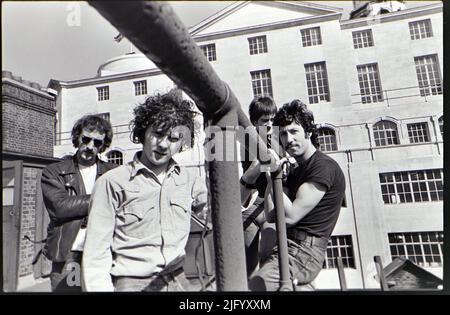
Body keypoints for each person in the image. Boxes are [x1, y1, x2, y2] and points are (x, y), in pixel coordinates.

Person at [82, 91, 207, 292]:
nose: (164, 144)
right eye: (157, 134)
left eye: (174, 138)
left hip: (179, 279)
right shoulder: (111, 182)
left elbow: (222, 215)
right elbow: (96, 252)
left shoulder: (190, 180)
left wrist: (249, 180)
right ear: (142, 133)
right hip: (132, 283)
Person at [249, 99, 346, 291]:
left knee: (257, 285)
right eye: (283, 134)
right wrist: (272, 179)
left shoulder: (323, 167)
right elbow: (271, 215)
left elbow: (290, 216)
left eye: (294, 131)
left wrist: (275, 177)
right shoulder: (293, 169)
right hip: (286, 247)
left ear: (308, 132)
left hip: (305, 251)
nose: (289, 139)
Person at [41, 114, 117, 292]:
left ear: (103, 145)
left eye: (97, 142)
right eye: (86, 139)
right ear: (77, 137)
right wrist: (103, 198)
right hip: (69, 255)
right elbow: (60, 207)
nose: (90, 147)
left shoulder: (113, 174)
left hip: (103, 253)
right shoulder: (54, 171)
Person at [239, 96, 279, 277]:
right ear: (255, 122)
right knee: (248, 264)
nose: (270, 124)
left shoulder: (279, 139)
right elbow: (254, 169)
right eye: (265, 121)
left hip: (271, 202)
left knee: (271, 260)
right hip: (253, 203)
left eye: (272, 119)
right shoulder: (247, 142)